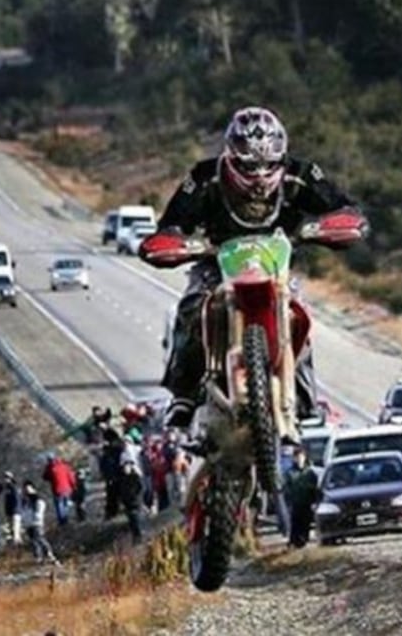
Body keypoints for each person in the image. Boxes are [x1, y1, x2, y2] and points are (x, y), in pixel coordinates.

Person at [138, 106, 368, 436]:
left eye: (269, 165)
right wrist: (175, 240)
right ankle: (184, 394)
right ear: (231, 157)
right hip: (217, 264)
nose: (260, 175)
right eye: (249, 166)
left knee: (298, 313)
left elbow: (344, 208)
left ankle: (304, 396)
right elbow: (172, 223)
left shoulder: (302, 174)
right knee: (191, 307)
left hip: (275, 264)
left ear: (282, 157)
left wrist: (329, 226)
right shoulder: (204, 178)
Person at [283, 446, 319, 548]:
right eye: (297, 457)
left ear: (304, 457)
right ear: (294, 458)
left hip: (307, 504)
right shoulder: (290, 473)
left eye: (301, 457)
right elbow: (286, 488)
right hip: (295, 504)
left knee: (305, 525)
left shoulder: (310, 473)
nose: (299, 459)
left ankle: (302, 542)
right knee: (295, 525)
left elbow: (315, 488)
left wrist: (314, 501)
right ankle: (294, 542)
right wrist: (289, 500)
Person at [20, 481, 59, 565]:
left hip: (36, 523)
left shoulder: (37, 499)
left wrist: (37, 516)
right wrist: (24, 521)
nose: (26, 490)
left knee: (40, 538)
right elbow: (23, 511)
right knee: (33, 541)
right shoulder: (25, 500)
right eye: (25, 489)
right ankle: (38, 558)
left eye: (28, 488)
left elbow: (40, 508)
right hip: (28, 523)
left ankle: (49, 554)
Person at [42, 454, 77, 526]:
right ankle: (66, 519)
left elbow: (45, 477)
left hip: (57, 490)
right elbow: (71, 477)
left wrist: (47, 467)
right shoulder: (65, 466)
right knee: (65, 504)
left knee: (59, 505)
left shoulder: (51, 468)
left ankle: (62, 522)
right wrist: (74, 486)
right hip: (67, 489)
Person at [118, 457, 145, 544]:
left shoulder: (135, 477)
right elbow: (121, 491)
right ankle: (135, 536)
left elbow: (140, 489)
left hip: (135, 501)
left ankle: (139, 536)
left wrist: (136, 498)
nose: (125, 469)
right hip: (127, 502)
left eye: (127, 467)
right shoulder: (123, 478)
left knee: (136, 518)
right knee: (131, 520)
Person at [3, 471, 23, 546]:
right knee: (10, 531)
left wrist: (15, 510)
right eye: (5, 477)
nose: (5, 479)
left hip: (15, 512)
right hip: (9, 512)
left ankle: (17, 546)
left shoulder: (14, 487)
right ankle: (14, 546)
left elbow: (17, 500)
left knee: (16, 531)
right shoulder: (7, 489)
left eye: (7, 477)